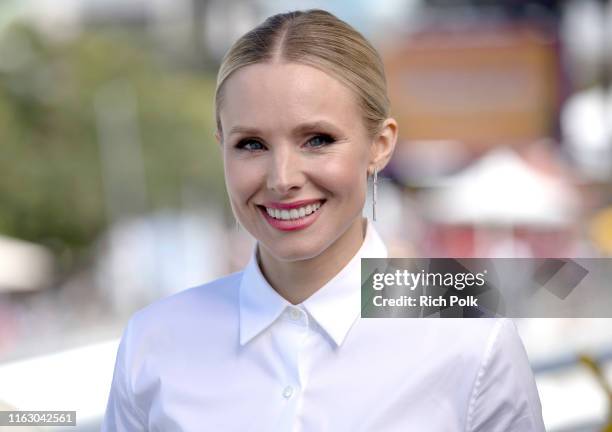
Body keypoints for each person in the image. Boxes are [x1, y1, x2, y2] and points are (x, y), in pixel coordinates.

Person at [102, 9, 545, 431]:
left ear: (380, 145)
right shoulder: (152, 344)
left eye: (317, 140)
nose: (282, 179)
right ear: (221, 145)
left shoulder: (474, 344)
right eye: (252, 145)